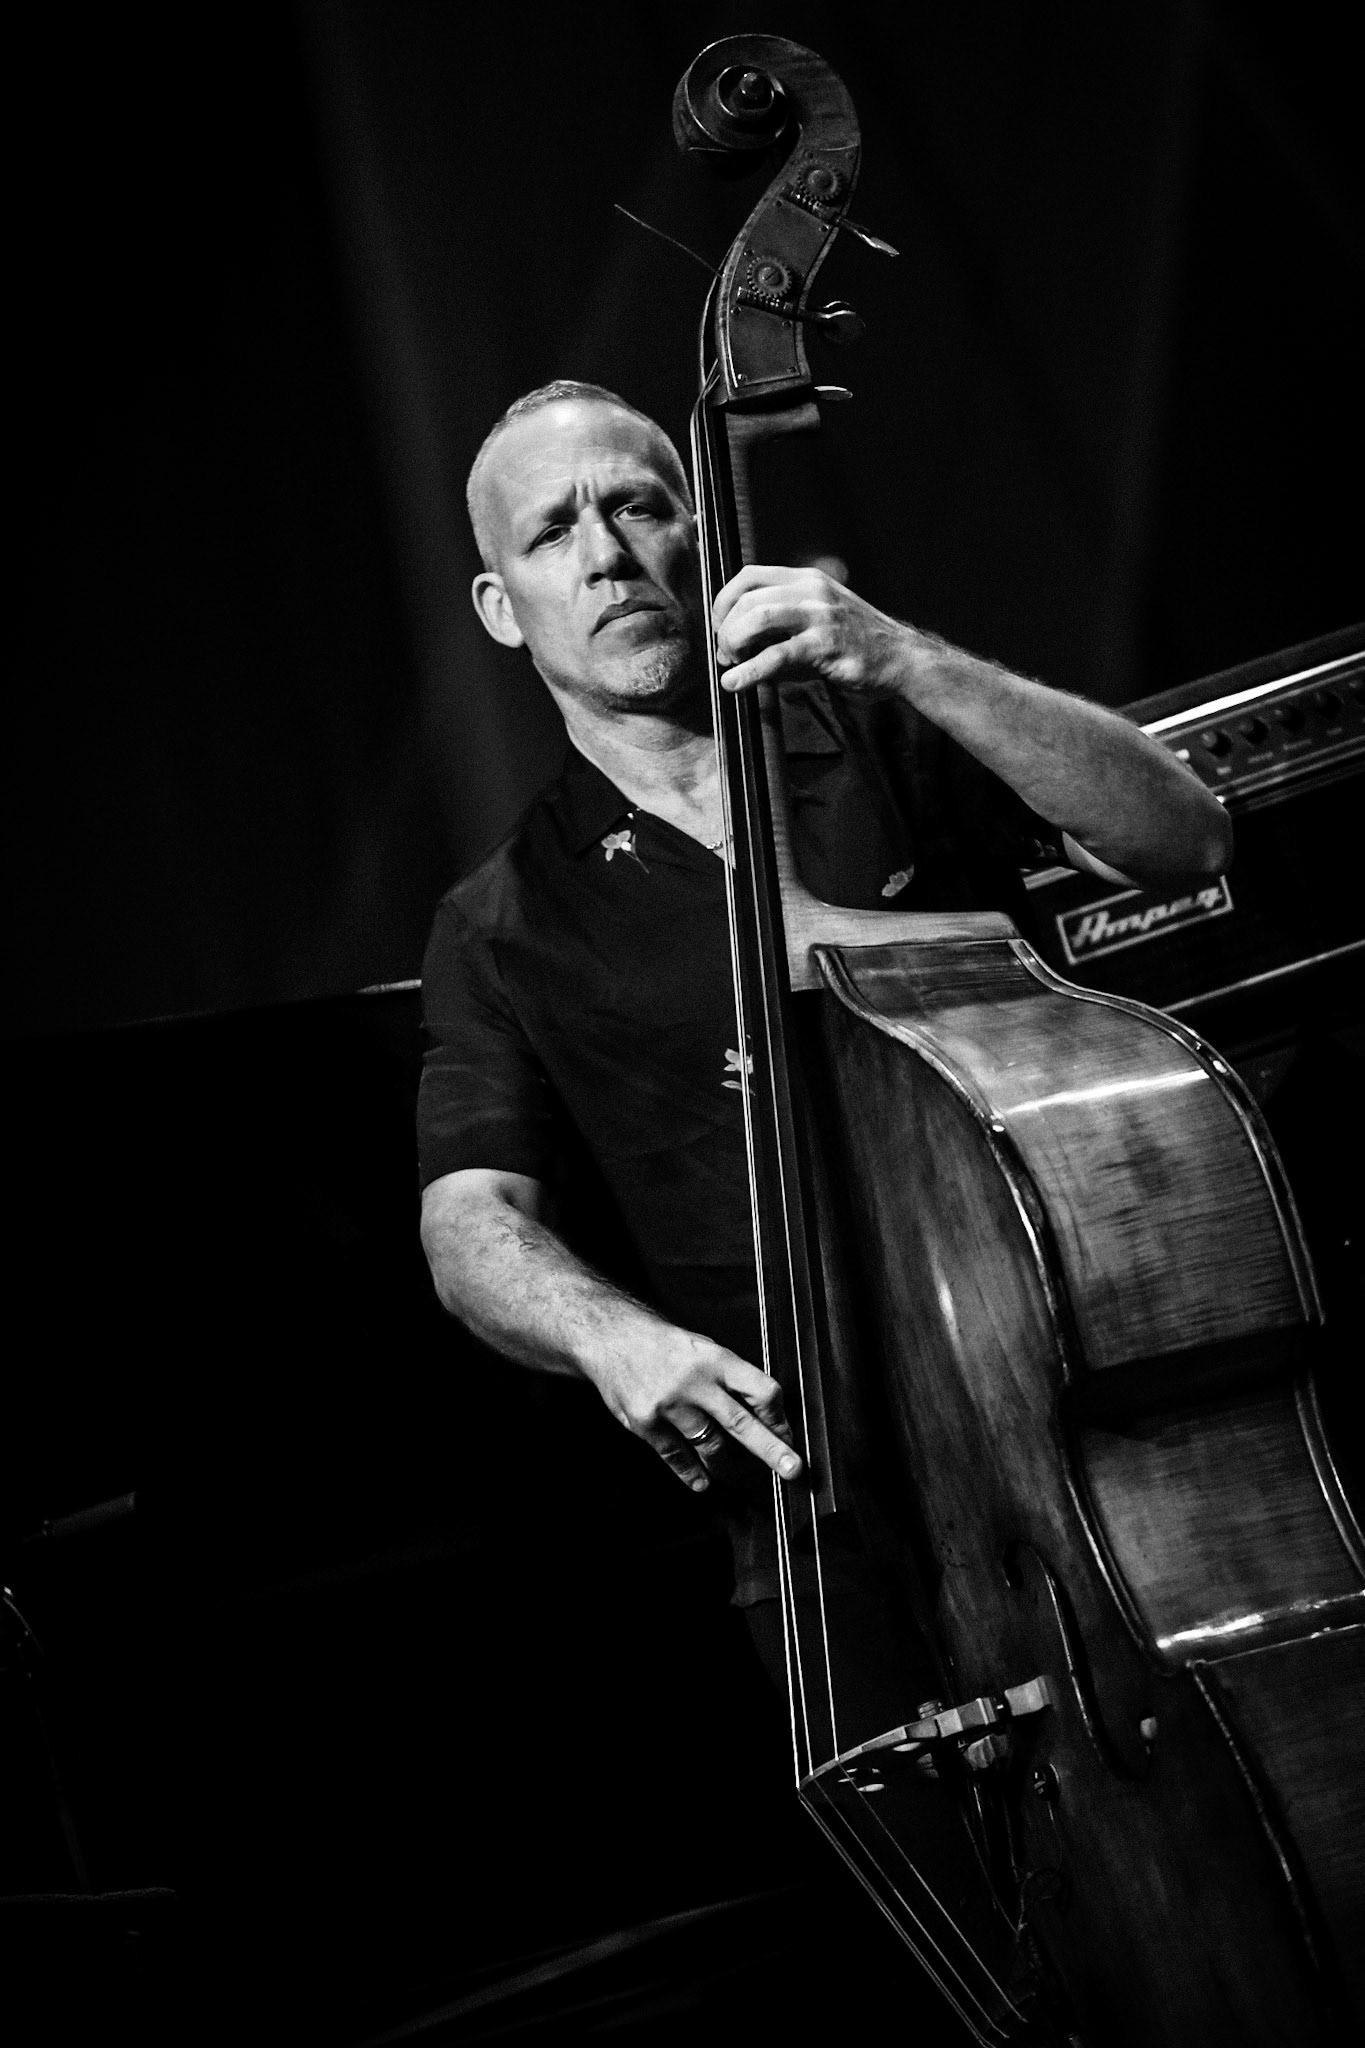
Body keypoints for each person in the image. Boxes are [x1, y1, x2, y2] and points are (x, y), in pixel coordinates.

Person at [417, 377, 1231, 1632]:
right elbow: (470, 1221)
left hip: (1088, 1398)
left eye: (636, 505)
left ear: (705, 531)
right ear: (501, 608)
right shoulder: (503, 921)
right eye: (551, 531)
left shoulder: (885, 730)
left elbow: (1184, 835)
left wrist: (905, 657)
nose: (605, 556)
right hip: (818, 1499)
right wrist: (609, 1336)